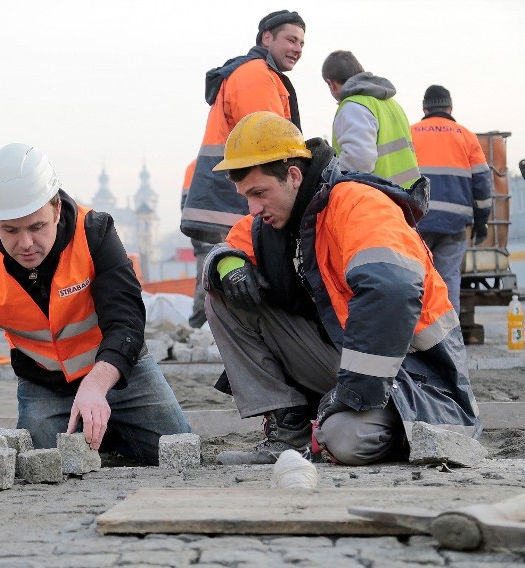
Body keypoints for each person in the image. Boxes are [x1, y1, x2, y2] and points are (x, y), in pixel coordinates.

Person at [202, 111, 481, 466]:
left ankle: (419, 428)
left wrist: (353, 393)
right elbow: (234, 242)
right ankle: (290, 433)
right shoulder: (282, 213)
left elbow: (392, 292)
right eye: (245, 196)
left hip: (418, 375)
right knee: (225, 297)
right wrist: (229, 263)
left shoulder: (358, 204)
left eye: (259, 193)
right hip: (352, 357)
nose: (253, 208)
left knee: (345, 441)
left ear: (292, 176)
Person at [0, 143, 191, 466]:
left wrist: (97, 384)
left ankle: (109, 431)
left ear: (56, 210)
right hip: (45, 384)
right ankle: (100, 438)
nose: (25, 243)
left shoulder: (95, 233)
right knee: (44, 464)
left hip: (119, 373)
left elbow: (126, 322)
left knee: (179, 450)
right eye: (10, 230)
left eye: (37, 227)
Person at [181, 9, 305, 245]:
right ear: (267, 38)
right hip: (242, 202)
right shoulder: (255, 75)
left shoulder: (255, 73)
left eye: (301, 43)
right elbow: (270, 146)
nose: (298, 49)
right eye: (291, 39)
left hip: (233, 200)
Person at [411, 85, 493, 314]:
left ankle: (415, 340)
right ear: (450, 107)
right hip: (454, 223)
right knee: (448, 281)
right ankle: (448, 341)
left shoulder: (410, 133)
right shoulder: (466, 136)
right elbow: (482, 184)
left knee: (416, 279)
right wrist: (481, 222)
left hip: (417, 220)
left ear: (424, 108)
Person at [321, 50, 420, 188]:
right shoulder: (391, 104)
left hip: (378, 199)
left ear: (331, 84)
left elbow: (358, 163)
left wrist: (329, 174)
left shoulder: (353, 106)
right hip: (408, 197)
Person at [180, 159, 211, 328]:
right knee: (205, 283)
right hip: (207, 238)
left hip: (224, 235)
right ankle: (195, 327)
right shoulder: (197, 167)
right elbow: (188, 207)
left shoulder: (197, 165)